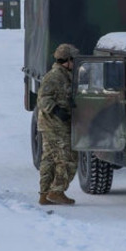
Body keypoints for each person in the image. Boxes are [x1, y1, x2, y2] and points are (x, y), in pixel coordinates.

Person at [37, 43, 79, 205]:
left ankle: (44, 194)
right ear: (66, 60)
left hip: (54, 125)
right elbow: (43, 99)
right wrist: (56, 110)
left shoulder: (66, 75)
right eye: (74, 60)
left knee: (49, 160)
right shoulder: (54, 76)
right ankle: (57, 191)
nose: (75, 63)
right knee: (68, 159)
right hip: (54, 125)